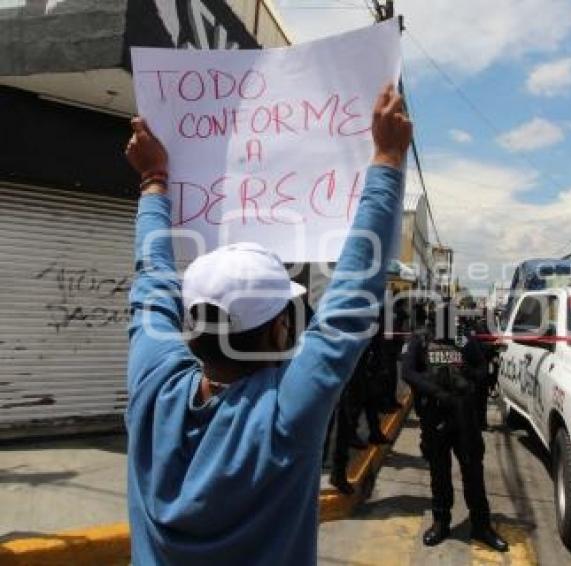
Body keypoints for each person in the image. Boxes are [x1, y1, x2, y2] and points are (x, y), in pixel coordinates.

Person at [123, 85, 411, 565]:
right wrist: (386, 155)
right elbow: (350, 302)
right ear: (278, 330)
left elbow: (152, 279)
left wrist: (153, 178)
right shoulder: (282, 414)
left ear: (190, 325)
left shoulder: (154, 385)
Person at [402, 304, 508, 552]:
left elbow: (482, 369)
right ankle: (441, 522)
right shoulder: (420, 339)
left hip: (464, 416)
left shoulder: (463, 339)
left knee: (473, 471)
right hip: (435, 417)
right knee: (439, 473)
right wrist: (437, 391)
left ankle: (481, 525)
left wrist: (468, 374)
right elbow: (407, 372)